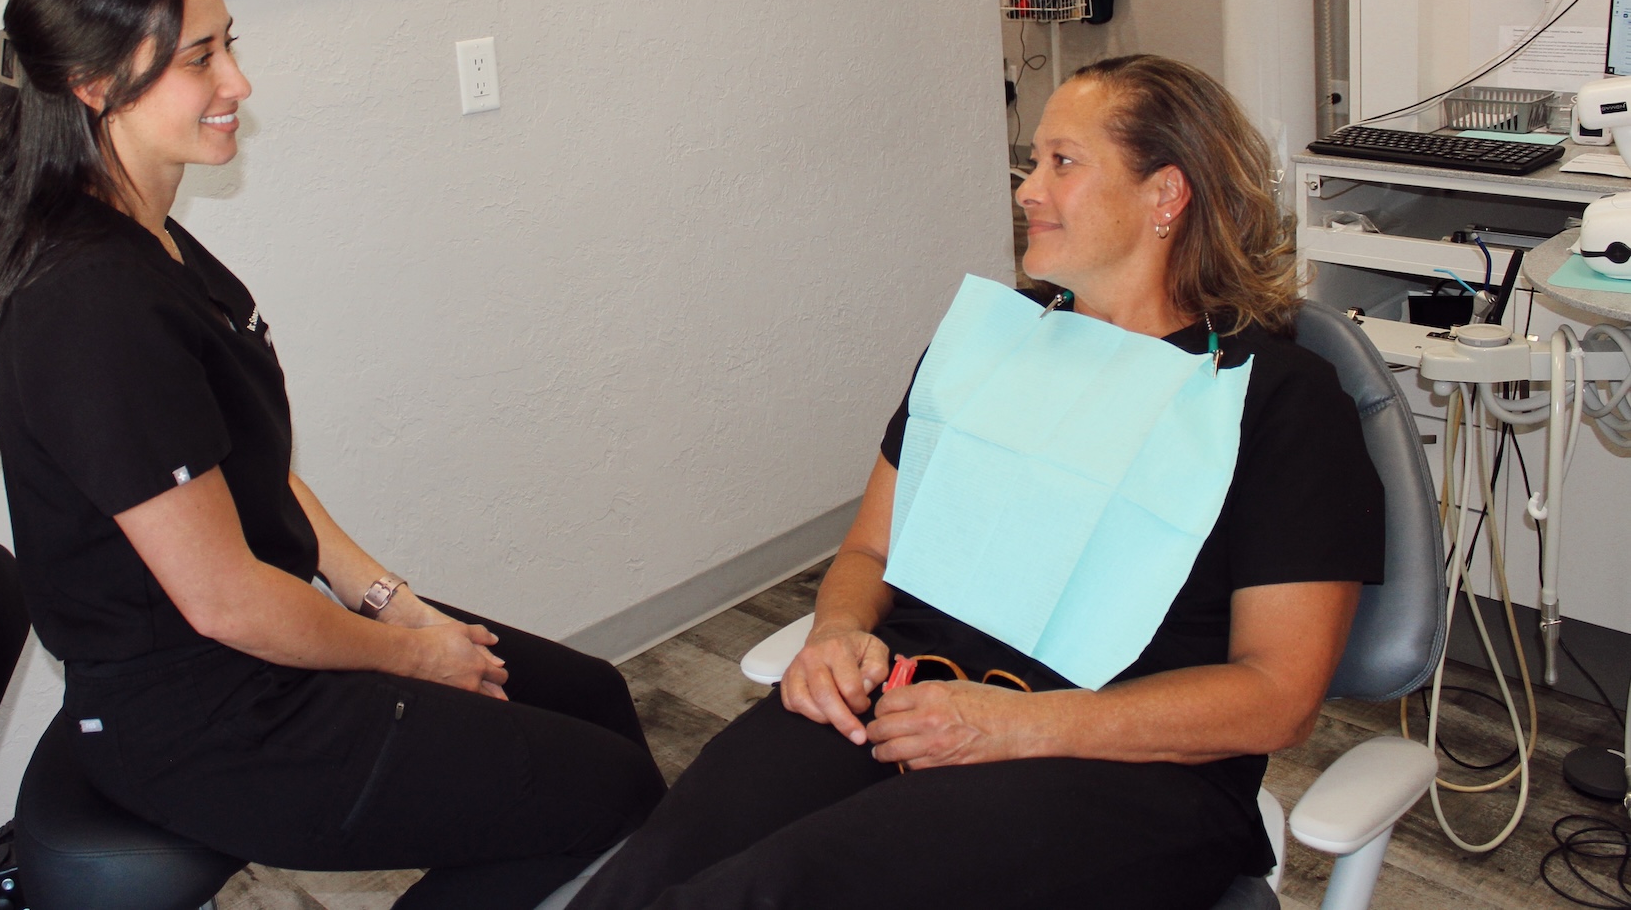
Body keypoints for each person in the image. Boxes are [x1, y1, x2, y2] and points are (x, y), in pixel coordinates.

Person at [567, 55, 1385, 910]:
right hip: (900, 690)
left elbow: (1278, 696)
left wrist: (1016, 725)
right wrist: (838, 631)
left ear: (1165, 195)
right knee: (653, 872)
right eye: (1033, 162)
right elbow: (872, 546)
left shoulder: (1278, 400)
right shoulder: (988, 355)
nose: (1029, 188)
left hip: (1118, 764)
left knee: (778, 890)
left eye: (1062, 162)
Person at [0, 0, 663, 910]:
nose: (237, 82)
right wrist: (414, 656)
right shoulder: (91, 302)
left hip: (245, 662)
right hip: (207, 722)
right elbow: (228, 601)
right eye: (200, 57)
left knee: (590, 696)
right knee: (611, 790)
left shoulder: (147, 240)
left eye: (228, 43)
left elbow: (250, 465)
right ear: (91, 83)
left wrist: (390, 600)